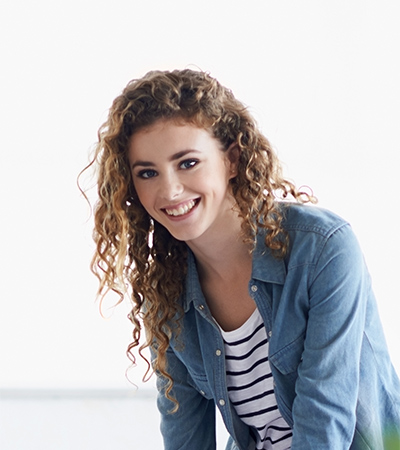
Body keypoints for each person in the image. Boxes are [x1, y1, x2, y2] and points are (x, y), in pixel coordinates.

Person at [84, 69, 400, 449]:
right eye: (148, 173)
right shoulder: (166, 295)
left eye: (188, 163)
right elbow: (185, 436)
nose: (169, 190)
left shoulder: (321, 249)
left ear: (232, 159)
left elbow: (325, 419)